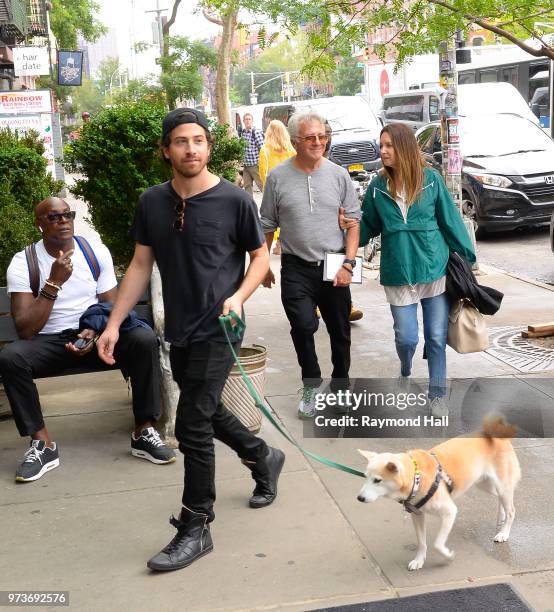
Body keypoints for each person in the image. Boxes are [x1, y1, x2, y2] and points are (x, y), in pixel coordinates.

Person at [96, 108, 285, 572]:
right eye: (181, 141)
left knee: (192, 426)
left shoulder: (235, 200)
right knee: (209, 411)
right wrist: (114, 323)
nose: (191, 149)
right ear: (167, 150)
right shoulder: (152, 202)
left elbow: (261, 258)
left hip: (221, 328)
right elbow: (141, 265)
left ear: (208, 146)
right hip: (177, 329)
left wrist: (239, 297)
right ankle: (263, 455)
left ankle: (196, 523)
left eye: (198, 140)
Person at [0, 197, 175, 483]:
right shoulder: (24, 262)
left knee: (143, 338)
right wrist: (53, 283)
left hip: (95, 335)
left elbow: (112, 306)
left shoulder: (94, 252)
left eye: (68, 214)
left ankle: (144, 430)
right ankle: (42, 445)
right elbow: (26, 330)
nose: (63, 220)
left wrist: (96, 332)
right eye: (54, 217)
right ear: (39, 224)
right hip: (51, 342)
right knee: (11, 357)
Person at [341, 123, 476, 416]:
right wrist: (348, 233)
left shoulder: (431, 181)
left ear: (403, 147)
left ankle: (437, 393)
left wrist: (468, 257)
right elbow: (369, 226)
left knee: (437, 337)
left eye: (389, 145)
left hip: (434, 268)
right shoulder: (378, 186)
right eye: (382, 145)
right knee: (407, 338)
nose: (383, 150)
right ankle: (405, 370)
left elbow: (449, 220)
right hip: (399, 271)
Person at [260, 110, 361, 419]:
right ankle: (311, 384)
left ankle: (341, 385)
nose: (319, 142)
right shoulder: (278, 178)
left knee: (341, 331)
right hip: (295, 265)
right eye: (311, 138)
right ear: (295, 142)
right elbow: (265, 224)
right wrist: (262, 264)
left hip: (334, 262)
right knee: (303, 325)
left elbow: (354, 223)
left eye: (322, 136)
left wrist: (348, 264)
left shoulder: (339, 174)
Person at [322, 120, 364, 323]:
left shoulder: (336, 167)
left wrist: (346, 218)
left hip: (335, 234)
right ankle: (314, 304)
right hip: (309, 237)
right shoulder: (297, 166)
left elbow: (349, 207)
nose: (325, 139)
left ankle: (346, 305)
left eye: (327, 134)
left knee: (339, 267)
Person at [258, 120, 296, 256]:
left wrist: (265, 187)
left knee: (271, 218)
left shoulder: (265, 150)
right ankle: (282, 243)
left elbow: (262, 171)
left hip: (273, 187)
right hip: (290, 186)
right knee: (287, 215)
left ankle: (276, 245)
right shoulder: (290, 149)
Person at [240, 112, 264, 195]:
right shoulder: (243, 132)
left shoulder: (256, 132)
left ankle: (270, 205)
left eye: (249, 119)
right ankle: (250, 207)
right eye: (246, 119)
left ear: (252, 121)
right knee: (247, 187)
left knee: (262, 186)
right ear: (243, 121)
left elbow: (262, 149)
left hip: (255, 165)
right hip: (246, 166)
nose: (247, 121)